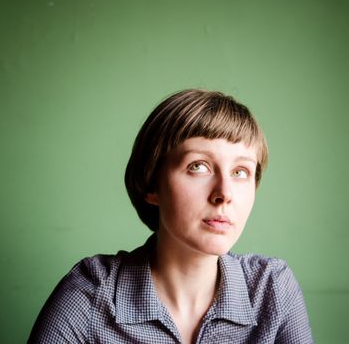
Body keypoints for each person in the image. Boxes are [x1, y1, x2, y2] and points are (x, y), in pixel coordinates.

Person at [28, 89, 314, 343]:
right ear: (153, 185)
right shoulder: (89, 295)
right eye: (198, 166)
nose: (224, 193)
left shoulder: (273, 288)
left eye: (241, 172)